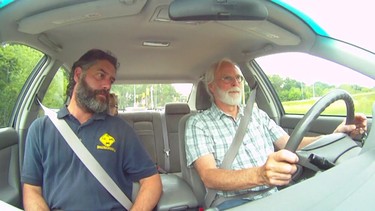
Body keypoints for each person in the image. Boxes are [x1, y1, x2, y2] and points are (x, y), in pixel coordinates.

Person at [185, 58, 367, 210]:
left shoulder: (257, 114)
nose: (236, 83)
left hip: (276, 193)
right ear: (211, 87)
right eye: (227, 78)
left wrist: (333, 135)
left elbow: (289, 142)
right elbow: (209, 175)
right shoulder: (198, 123)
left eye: (239, 78)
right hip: (233, 202)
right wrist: (260, 175)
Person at [21, 49, 162, 211]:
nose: (107, 85)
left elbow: (152, 181)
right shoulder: (40, 129)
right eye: (101, 75)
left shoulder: (121, 130)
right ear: (78, 75)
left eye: (111, 80)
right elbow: (31, 189)